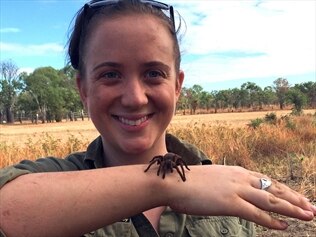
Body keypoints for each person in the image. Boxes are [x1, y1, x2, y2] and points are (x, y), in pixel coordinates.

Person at [0, 0, 315, 236]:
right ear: (83, 90)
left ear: (177, 86)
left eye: (153, 73)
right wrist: (165, 187)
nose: (135, 97)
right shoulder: (57, 176)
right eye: (110, 74)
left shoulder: (227, 187)